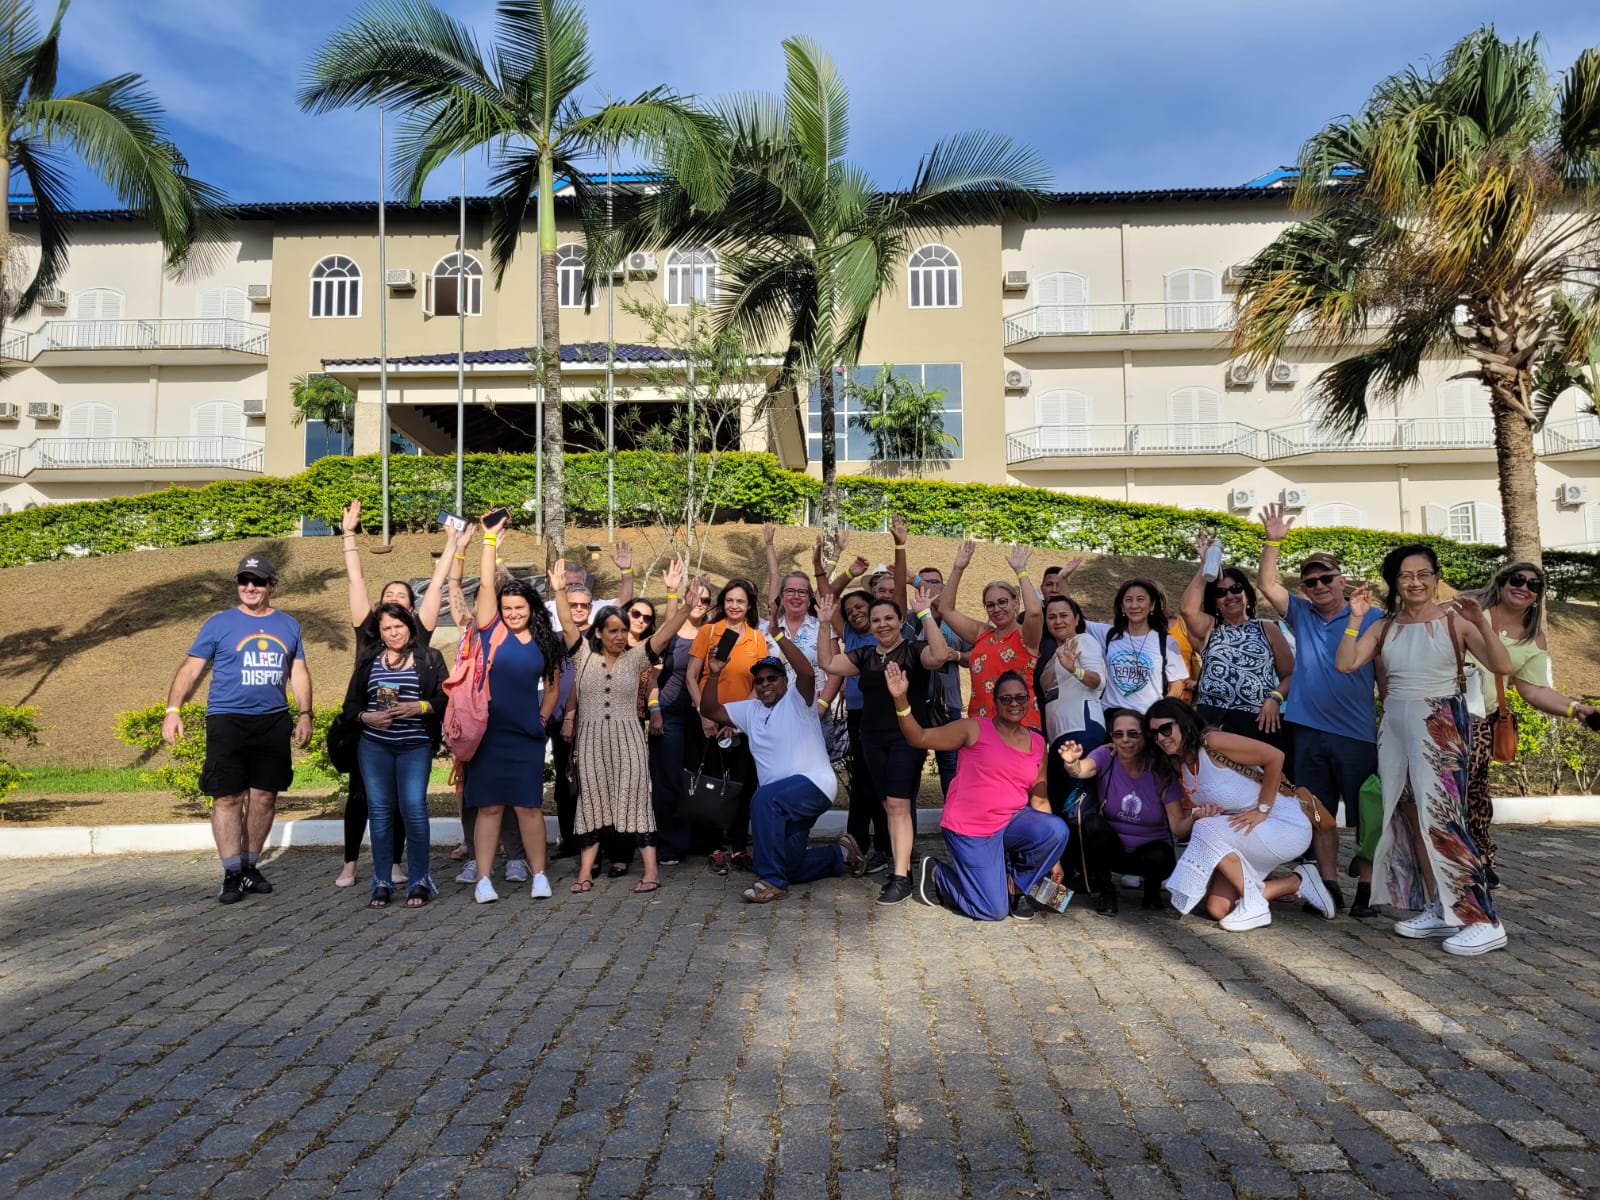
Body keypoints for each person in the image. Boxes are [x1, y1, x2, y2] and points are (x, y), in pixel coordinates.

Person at [1337, 545, 1513, 955]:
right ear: (1394, 582)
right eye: (1405, 575)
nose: (1414, 582)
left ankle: (1484, 920)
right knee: (1408, 816)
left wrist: (1480, 623)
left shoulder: (1455, 621)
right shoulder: (1385, 626)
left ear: (1435, 578)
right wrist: (1355, 619)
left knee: (1444, 820)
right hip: (1395, 726)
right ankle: (1441, 907)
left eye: (1423, 574)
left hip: (1439, 725)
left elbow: (1502, 665)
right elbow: (1346, 664)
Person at [162, 554, 313, 903]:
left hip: (273, 719)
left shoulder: (288, 625)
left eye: (258, 581)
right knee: (228, 796)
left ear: (271, 586)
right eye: (244, 580)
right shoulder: (219, 623)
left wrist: (305, 713)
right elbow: (190, 669)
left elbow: (298, 671)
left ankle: (249, 866)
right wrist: (173, 710)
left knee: (264, 796)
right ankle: (231, 873)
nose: (250, 587)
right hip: (227, 719)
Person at [1255, 507, 1380, 914]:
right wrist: (1273, 541)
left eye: (1326, 578)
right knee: (1318, 813)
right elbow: (1266, 583)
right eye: (1311, 582)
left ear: (1342, 580)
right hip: (1307, 730)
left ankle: (1367, 888)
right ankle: (1327, 885)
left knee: (1367, 814)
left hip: (1356, 732)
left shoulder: (1372, 617)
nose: (1319, 586)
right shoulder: (1301, 613)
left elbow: (1383, 673)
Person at [335, 500, 461, 889]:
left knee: (407, 803)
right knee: (362, 797)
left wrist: (452, 543)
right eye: (388, 594)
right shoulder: (368, 631)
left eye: (401, 596)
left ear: (410, 611)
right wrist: (349, 535)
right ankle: (351, 863)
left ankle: (394, 863)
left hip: (410, 735)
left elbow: (437, 584)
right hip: (368, 729)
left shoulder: (420, 638)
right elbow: (356, 581)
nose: (393, 599)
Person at [887, 666, 1069, 922]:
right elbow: (919, 737)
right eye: (1006, 698)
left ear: (1028, 700)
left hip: (1012, 822)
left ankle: (1017, 888)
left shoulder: (1038, 742)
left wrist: (1053, 859)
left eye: (1020, 697)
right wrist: (900, 701)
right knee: (993, 911)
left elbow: (1039, 799)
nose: (1014, 703)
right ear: (995, 703)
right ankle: (938, 873)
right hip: (971, 828)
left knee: (1057, 829)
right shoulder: (972, 729)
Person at [552, 558, 689, 895]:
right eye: (612, 630)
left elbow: (667, 632)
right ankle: (585, 873)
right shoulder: (582, 655)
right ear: (598, 632)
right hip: (590, 742)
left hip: (629, 742)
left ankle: (651, 872)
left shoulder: (637, 657)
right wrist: (558, 591)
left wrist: (680, 599)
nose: (619, 635)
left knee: (636, 802)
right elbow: (567, 623)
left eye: (623, 630)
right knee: (591, 803)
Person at [698, 632, 864, 904]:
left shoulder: (798, 700)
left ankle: (772, 882)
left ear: (785, 681)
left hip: (814, 785)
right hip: (782, 804)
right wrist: (714, 673)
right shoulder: (750, 710)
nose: (765, 684)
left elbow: (807, 673)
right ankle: (842, 854)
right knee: (791, 866)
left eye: (772, 678)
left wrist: (778, 634)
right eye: (759, 680)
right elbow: (709, 709)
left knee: (763, 798)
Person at [1462, 562, 1598, 886]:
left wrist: (1575, 708)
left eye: (1533, 585)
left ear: (1538, 596)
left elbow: (1533, 689)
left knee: (1473, 790)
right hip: (1436, 712)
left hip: (1478, 720)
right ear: (1502, 582)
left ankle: (1478, 858)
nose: (1523, 587)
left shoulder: (1533, 638)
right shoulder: (1472, 610)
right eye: (1517, 579)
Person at [816, 585, 951, 905]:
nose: (882, 624)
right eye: (876, 620)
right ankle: (898, 865)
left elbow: (940, 656)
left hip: (907, 738)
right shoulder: (865, 655)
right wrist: (824, 623)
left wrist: (925, 614)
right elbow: (828, 662)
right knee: (889, 805)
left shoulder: (915, 651)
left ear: (900, 620)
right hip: (871, 739)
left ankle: (901, 876)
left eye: (889, 618)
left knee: (898, 804)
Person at [1146, 699, 1329, 930]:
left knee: (1206, 827)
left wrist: (1262, 810)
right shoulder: (1176, 764)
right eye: (1154, 733)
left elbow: (1275, 757)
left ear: (1183, 723)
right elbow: (1179, 828)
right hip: (1242, 832)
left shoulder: (1211, 742)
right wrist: (1197, 815)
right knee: (1218, 908)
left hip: (1282, 824)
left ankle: (1254, 905)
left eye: (1165, 729)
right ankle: (1298, 881)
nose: (1161, 738)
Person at [460, 509, 562, 904]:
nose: (513, 613)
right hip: (488, 734)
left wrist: (541, 719)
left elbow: (552, 689)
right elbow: (487, 582)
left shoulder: (543, 641)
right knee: (489, 808)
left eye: (520, 608)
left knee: (528, 807)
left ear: (531, 608)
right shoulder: (490, 631)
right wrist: (488, 539)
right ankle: (484, 879)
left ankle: (539, 875)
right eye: (508, 608)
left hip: (527, 735)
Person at [340, 603, 447, 908]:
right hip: (375, 746)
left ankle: (420, 880)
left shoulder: (429, 658)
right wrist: (366, 717)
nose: (393, 633)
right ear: (379, 632)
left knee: (414, 809)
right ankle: (382, 881)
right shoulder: (369, 660)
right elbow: (350, 704)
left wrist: (420, 707)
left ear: (410, 628)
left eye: (398, 626)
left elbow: (445, 697)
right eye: (387, 628)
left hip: (415, 745)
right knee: (380, 812)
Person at [687, 577, 777, 874]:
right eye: (730, 600)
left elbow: (758, 685)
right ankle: (713, 848)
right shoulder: (709, 631)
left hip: (741, 724)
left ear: (749, 606)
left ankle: (738, 847)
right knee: (710, 784)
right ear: (722, 602)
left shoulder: (757, 638)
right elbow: (691, 676)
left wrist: (738, 721)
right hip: (708, 720)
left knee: (742, 784)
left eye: (740, 601)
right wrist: (703, 713)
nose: (734, 606)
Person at [1056, 709, 1185, 914]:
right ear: (1112, 737)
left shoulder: (1160, 768)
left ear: (1145, 736)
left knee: (1161, 855)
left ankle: (1152, 889)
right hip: (1113, 849)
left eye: (1133, 734)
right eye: (1118, 734)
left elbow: (1178, 827)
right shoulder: (1106, 756)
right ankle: (1106, 891)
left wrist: (1199, 816)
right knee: (1092, 824)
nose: (1125, 740)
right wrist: (1072, 762)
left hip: (1150, 854)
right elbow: (1082, 769)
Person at [1179, 533, 1294, 745]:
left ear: (1246, 594)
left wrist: (1275, 698)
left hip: (1257, 719)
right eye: (1221, 593)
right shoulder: (1211, 627)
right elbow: (1187, 609)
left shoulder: (1267, 629)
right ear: (1215, 601)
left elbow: (1289, 675)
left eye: (1236, 589)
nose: (1229, 596)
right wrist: (1206, 566)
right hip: (1212, 718)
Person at [937, 542, 1045, 720]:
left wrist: (1021, 571)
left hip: (1018, 724)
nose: (996, 609)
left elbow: (1034, 612)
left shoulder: (1025, 635)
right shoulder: (983, 633)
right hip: (981, 723)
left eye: (1002, 602)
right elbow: (945, 609)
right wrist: (958, 568)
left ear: (1016, 603)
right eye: (990, 605)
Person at [650, 575, 712, 865]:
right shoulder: (671, 632)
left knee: (698, 777)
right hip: (669, 712)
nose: (700, 603)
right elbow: (652, 674)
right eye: (696, 597)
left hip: (701, 714)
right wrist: (655, 711)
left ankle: (697, 840)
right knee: (668, 778)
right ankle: (669, 844)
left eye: (706, 600)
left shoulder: (712, 632)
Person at [1037, 595, 1107, 817]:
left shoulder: (1083, 641)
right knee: (1061, 805)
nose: (1058, 621)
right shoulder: (1054, 652)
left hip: (1081, 727)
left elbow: (1098, 681)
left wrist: (1075, 670)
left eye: (1064, 615)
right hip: (1058, 735)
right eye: (1052, 617)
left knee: (1080, 807)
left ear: (1076, 618)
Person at [907, 561, 970, 797]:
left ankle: (954, 814)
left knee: (950, 764)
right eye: (923, 582)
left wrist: (958, 655)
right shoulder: (908, 620)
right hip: (915, 704)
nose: (927, 586)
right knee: (910, 764)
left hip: (948, 704)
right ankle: (906, 817)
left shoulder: (956, 621)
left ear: (943, 587)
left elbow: (977, 656)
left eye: (934, 582)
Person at [1080, 578, 1188, 714]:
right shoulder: (1108, 634)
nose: (1134, 605)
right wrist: (1063, 579)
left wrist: (1160, 710)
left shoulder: (1166, 642)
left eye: (1140, 599)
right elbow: (1071, 617)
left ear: (1152, 605)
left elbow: (1177, 684)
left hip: (1146, 718)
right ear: (1122, 606)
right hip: (1111, 716)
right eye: (1128, 600)